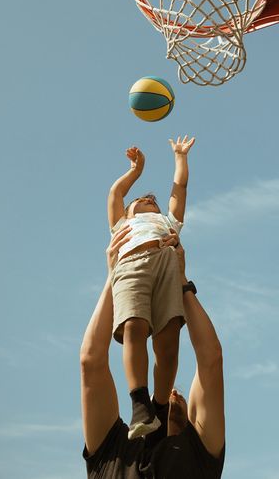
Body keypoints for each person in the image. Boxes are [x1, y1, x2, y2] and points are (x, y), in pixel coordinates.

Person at [80, 229, 225, 478]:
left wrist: (181, 280)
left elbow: (211, 359)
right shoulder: (113, 453)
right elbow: (89, 362)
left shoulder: (198, 454)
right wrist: (115, 276)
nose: (174, 393)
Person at [107, 137, 195, 438]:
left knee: (168, 341)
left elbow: (179, 190)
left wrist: (180, 157)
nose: (149, 200)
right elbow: (116, 192)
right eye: (142, 200)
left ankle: (159, 407)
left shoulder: (167, 223)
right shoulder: (122, 225)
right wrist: (136, 170)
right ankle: (140, 405)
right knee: (133, 326)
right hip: (132, 264)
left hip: (166, 262)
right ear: (129, 212)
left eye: (153, 201)